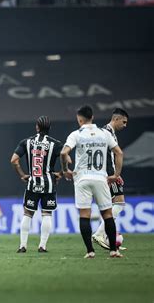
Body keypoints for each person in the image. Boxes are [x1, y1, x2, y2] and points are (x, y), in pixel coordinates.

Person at [61, 105, 124, 259]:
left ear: (79, 119)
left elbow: (64, 152)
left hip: (82, 179)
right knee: (108, 214)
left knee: (84, 215)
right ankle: (113, 251)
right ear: (93, 118)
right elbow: (119, 153)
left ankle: (90, 251)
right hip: (101, 178)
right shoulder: (104, 133)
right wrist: (116, 174)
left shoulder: (76, 134)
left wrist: (65, 170)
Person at [10, 116, 63, 253]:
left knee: (27, 214)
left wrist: (22, 175)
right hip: (49, 184)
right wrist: (61, 173)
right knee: (47, 214)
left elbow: (14, 160)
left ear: (37, 127)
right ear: (49, 128)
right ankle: (42, 246)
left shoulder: (26, 142)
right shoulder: (56, 144)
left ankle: (22, 246)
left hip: (32, 183)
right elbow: (66, 157)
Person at [92, 108, 129, 249]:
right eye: (124, 122)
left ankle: (108, 239)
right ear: (116, 119)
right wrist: (114, 175)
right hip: (108, 174)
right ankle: (99, 234)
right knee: (119, 203)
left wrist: (117, 174)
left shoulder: (108, 132)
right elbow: (106, 158)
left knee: (111, 206)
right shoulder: (107, 132)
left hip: (108, 174)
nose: (125, 125)